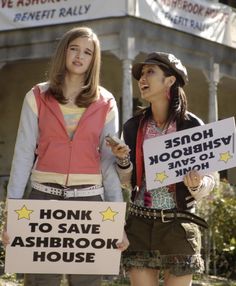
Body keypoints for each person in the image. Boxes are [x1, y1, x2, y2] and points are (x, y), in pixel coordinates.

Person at [2, 26, 129, 286]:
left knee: (86, 282)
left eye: (88, 52)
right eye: (74, 48)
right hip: (42, 199)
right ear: (64, 51)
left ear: (94, 59)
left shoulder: (105, 101)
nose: (80, 56)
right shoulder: (37, 96)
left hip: (90, 202)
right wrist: (12, 214)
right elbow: (24, 153)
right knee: (40, 281)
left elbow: (107, 161)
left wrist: (117, 220)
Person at [107, 52, 215, 286]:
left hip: (178, 225)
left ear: (170, 80)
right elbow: (128, 182)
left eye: (150, 72)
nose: (142, 79)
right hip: (140, 222)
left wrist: (197, 184)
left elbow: (210, 180)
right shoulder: (133, 126)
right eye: (141, 74)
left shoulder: (192, 126)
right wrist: (123, 161)